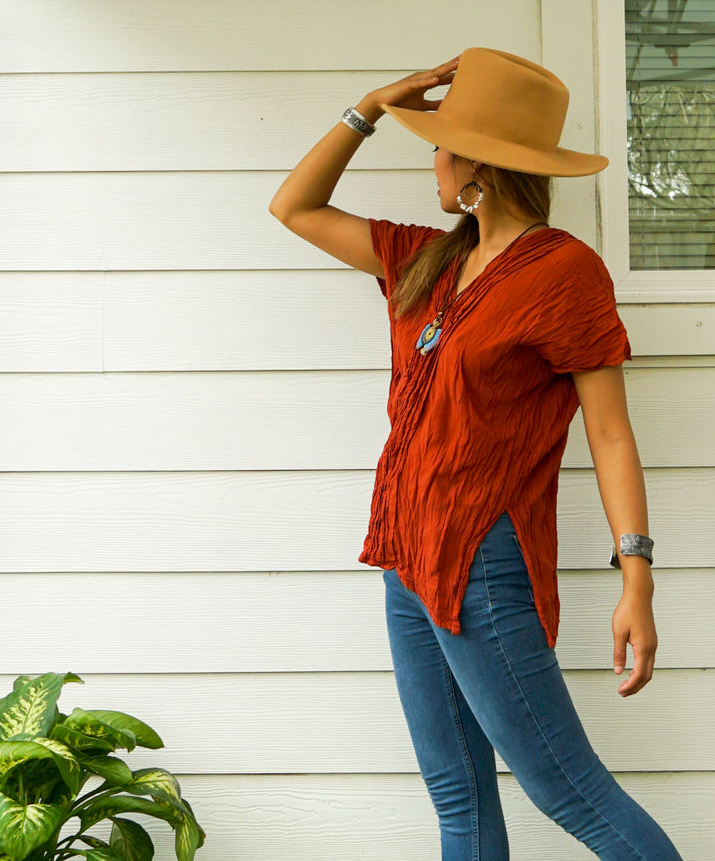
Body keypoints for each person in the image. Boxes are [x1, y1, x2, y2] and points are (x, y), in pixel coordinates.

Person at [270, 48, 683, 861]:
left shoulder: (565, 273)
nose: (430, 159)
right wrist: (370, 103)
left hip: (482, 561)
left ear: (478, 168)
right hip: (405, 553)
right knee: (458, 798)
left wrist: (636, 575)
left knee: (571, 792)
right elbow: (295, 205)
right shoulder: (428, 258)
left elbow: (609, 432)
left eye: (438, 144)